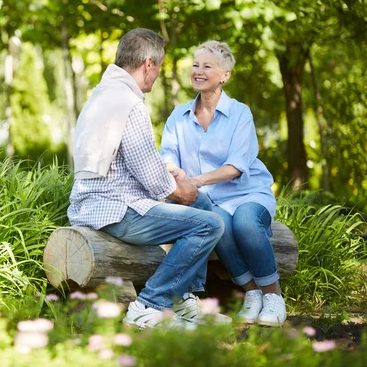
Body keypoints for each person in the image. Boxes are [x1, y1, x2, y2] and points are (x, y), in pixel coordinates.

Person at [67, 28, 230, 329]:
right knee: (210, 223)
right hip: (116, 211)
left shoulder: (102, 94)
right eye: (159, 66)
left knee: (203, 205)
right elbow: (155, 183)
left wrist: (170, 175)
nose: (156, 74)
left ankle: (184, 299)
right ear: (148, 65)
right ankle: (148, 305)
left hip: (92, 204)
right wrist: (183, 187)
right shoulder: (131, 104)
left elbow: (125, 160)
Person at [160, 40, 286, 326]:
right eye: (195, 65)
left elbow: (237, 166)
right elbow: (167, 156)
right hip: (209, 200)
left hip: (248, 193)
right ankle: (252, 293)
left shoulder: (240, 113)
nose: (198, 71)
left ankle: (273, 295)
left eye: (207, 66)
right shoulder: (178, 116)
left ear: (225, 75)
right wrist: (175, 173)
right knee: (218, 225)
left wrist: (195, 180)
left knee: (244, 223)